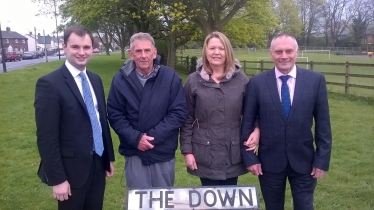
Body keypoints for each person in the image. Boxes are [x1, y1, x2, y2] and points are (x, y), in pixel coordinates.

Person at [241, 34, 332, 210]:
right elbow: (247, 123)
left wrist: (322, 160)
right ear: (271, 54)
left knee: (305, 206)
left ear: (297, 52)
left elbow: (323, 125)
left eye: (289, 51)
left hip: (305, 161)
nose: (284, 56)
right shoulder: (257, 83)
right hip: (269, 162)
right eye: (279, 51)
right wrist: (250, 158)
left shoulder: (315, 81)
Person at [35, 26, 115, 210]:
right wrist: (58, 179)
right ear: (64, 47)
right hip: (70, 171)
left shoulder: (95, 80)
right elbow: (47, 138)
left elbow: (101, 121)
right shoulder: (49, 84)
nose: (81, 52)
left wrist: (108, 157)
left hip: (97, 163)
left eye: (86, 47)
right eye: (75, 47)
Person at [107, 32, 188, 188]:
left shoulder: (170, 76)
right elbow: (115, 114)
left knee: (163, 201)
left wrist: (151, 138)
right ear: (131, 54)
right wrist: (136, 139)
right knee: (139, 201)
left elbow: (178, 112)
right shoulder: (120, 80)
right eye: (138, 51)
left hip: (162, 150)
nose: (143, 55)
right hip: (134, 151)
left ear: (154, 52)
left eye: (147, 50)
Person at [180, 31, 260, 186]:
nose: (216, 52)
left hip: (232, 150)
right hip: (204, 151)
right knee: (209, 199)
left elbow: (252, 112)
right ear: (206, 51)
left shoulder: (241, 79)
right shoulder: (193, 81)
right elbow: (187, 118)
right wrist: (187, 151)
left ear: (227, 51)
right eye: (212, 48)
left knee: (229, 198)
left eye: (221, 48)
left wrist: (257, 130)